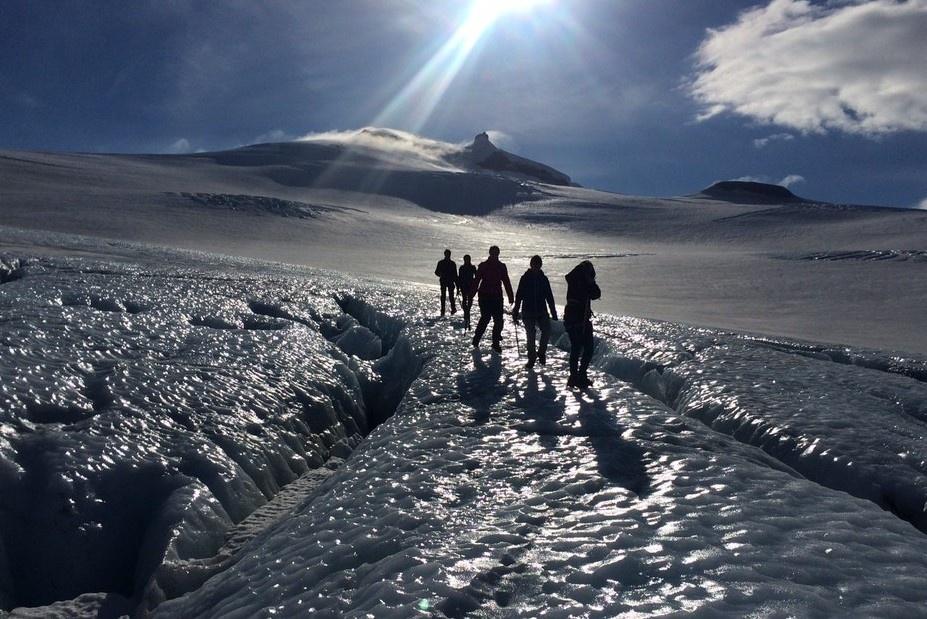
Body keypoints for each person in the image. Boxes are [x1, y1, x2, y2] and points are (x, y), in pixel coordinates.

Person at [512, 255, 558, 368]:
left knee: (546, 331)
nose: (536, 267)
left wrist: (553, 312)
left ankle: (541, 353)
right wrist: (516, 311)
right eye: (534, 265)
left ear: (540, 265)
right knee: (531, 335)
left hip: (542, 311)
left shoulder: (544, 279)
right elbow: (519, 296)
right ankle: (531, 359)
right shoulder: (525, 278)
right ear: (531, 265)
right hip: (528, 311)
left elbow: (549, 297)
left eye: (538, 265)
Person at [563, 260, 600, 388]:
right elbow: (596, 293)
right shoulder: (582, 279)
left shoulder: (574, 278)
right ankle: (580, 376)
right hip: (578, 318)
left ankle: (575, 377)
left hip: (573, 317)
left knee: (576, 348)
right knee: (586, 348)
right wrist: (591, 282)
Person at [471, 245, 514, 353]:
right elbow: (476, 280)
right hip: (484, 296)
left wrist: (511, 296)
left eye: (496, 253)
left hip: (497, 297)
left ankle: (495, 343)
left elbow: (506, 281)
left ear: (498, 254)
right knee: (485, 318)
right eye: (493, 253)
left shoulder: (501, 267)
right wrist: (471, 294)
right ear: (490, 253)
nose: (495, 255)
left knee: (499, 321)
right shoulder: (483, 266)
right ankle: (476, 339)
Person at [434, 249, 457, 316]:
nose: (448, 255)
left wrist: (457, 284)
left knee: (450, 296)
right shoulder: (441, 263)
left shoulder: (452, 263)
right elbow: (436, 272)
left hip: (449, 281)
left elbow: (455, 275)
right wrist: (441, 275)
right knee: (444, 296)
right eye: (447, 254)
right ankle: (443, 310)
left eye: (448, 254)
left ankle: (452, 309)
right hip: (444, 281)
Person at [457, 254, 477, 330]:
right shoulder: (462, 268)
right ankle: (466, 311)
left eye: (467, 259)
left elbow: (476, 277)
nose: (467, 260)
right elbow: (459, 278)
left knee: (470, 300)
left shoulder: (472, 267)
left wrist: (475, 285)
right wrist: (458, 287)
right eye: (466, 259)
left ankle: (467, 311)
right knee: (465, 299)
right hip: (464, 286)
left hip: (470, 286)